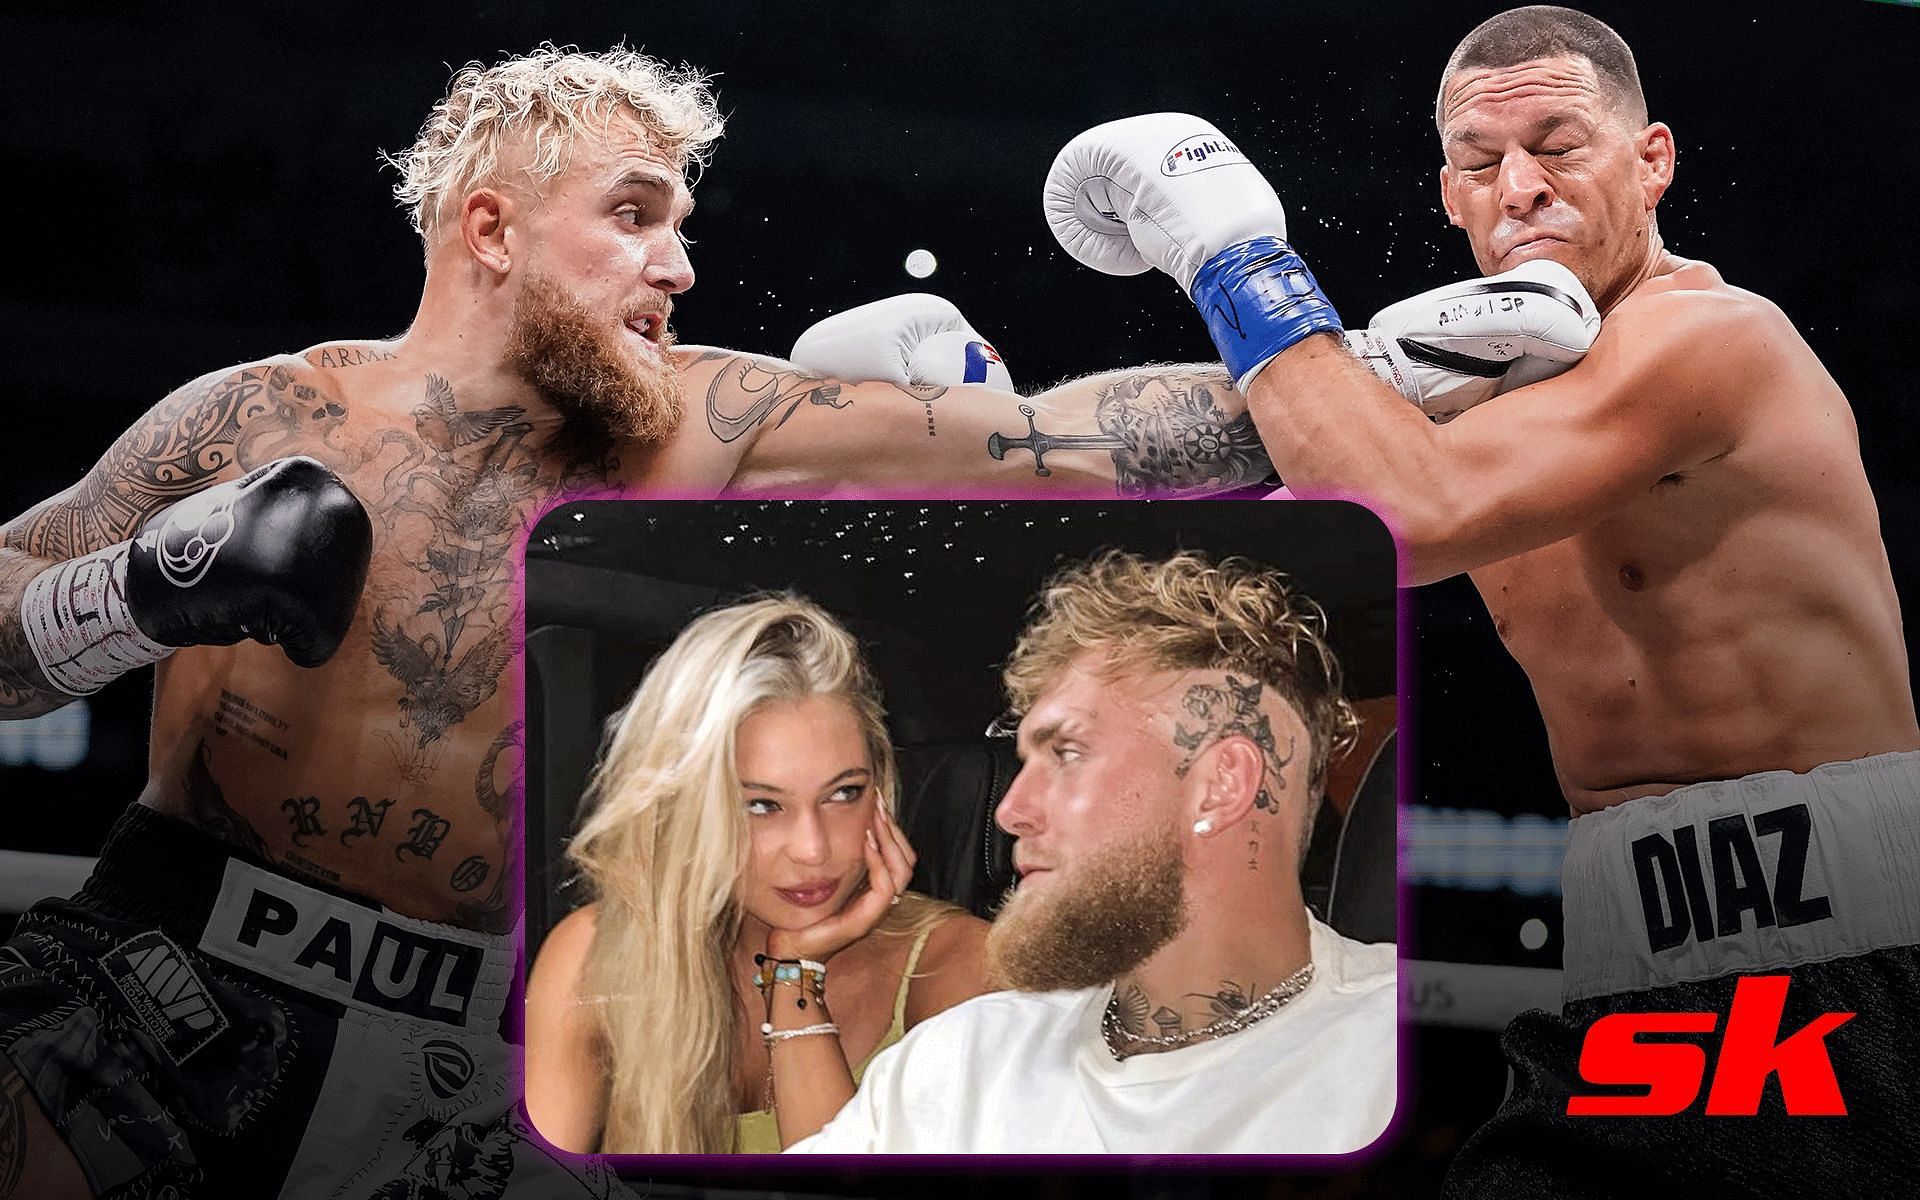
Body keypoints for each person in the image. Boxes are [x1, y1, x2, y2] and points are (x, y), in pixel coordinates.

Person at [1042, 4, 1919, 1192]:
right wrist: (992, 414)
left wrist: (1236, 258)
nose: (1522, 188)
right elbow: (1266, 527)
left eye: (1560, 147)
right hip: (1637, 952)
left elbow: (1406, 517)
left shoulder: (1715, 341)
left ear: (1651, 160)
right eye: (1481, 163)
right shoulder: (1472, 394)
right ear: (1448, 193)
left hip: (1825, 942)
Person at [788, 551, 1397, 1154]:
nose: (1009, 811)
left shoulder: (1401, 1049)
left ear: (1221, 784)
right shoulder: (955, 1067)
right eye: (1026, 761)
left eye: (1068, 754)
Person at [523, 595, 988, 1153]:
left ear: (881, 791)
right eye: (762, 806)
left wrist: (795, 973)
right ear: (680, 806)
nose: (813, 851)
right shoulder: (596, 957)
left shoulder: (959, 967)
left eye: (844, 793)